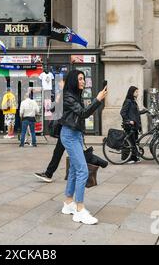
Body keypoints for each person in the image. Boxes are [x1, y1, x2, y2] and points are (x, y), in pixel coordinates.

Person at [59, 70, 107, 225]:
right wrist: (97, 100)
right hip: (69, 135)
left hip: (76, 135)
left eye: (84, 79)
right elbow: (84, 113)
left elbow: (80, 116)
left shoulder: (75, 96)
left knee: (74, 169)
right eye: (80, 79)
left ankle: (68, 203)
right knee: (82, 170)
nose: (83, 81)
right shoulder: (68, 97)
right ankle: (79, 210)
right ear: (73, 80)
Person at [34, 80, 65, 182]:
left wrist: (56, 102)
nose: (59, 84)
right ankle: (48, 174)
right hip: (64, 128)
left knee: (70, 152)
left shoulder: (66, 94)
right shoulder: (62, 94)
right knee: (58, 152)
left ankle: (49, 173)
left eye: (61, 82)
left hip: (68, 129)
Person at [120, 86, 147, 164]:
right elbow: (122, 112)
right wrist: (129, 121)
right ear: (132, 92)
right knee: (130, 142)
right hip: (129, 125)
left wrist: (144, 111)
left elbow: (135, 113)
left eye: (137, 92)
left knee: (134, 141)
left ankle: (134, 157)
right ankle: (127, 158)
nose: (137, 93)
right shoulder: (128, 101)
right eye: (136, 92)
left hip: (134, 125)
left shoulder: (133, 101)